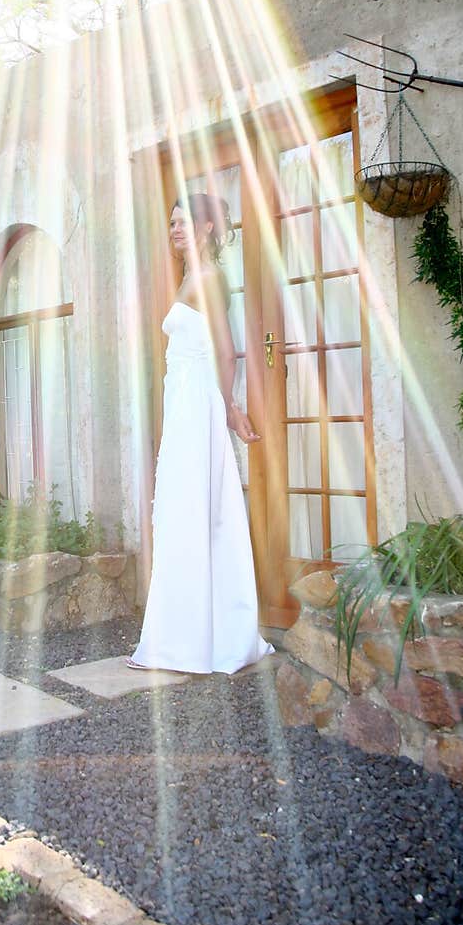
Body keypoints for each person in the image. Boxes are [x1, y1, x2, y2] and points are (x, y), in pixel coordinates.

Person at [127, 193, 275, 675]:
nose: (174, 230)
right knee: (182, 511)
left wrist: (230, 407)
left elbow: (226, 348)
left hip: (197, 404)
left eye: (183, 222)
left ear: (209, 229)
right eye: (170, 223)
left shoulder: (209, 279)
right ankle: (185, 634)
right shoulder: (191, 275)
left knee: (193, 510)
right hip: (182, 403)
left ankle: (193, 642)